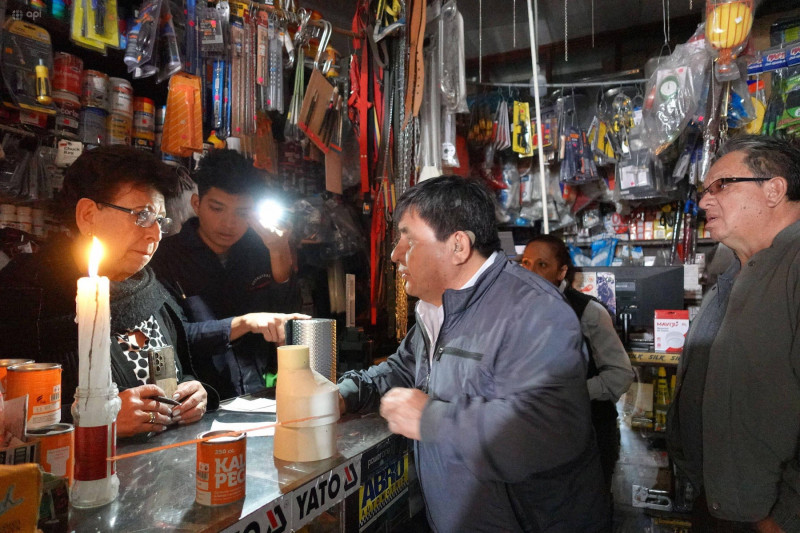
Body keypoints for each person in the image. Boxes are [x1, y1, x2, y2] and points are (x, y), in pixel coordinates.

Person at [337, 175, 610, 532]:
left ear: (458, 246)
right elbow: (401, 370)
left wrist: (432, 420)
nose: (395, 254)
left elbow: (551, 430)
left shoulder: (535, 311)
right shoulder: (434, 311)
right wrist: (343, 395)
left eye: (409, 239)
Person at [0, 147, 289, 437]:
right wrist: (95, 419)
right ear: (88, 215)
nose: (154, 234)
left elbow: (170, 366)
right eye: (141, 215)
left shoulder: (148, 288)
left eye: (160, 221)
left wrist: (196, 393)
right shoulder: (26, 294)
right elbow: (10, 419)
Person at [666, 135, 800, 532]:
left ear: (774, 189)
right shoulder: (731, 274)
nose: (704, 201)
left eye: (720, 186)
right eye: (703, 191)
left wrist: (785, 516)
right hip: (722, 502)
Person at [150, 149, 307, 398]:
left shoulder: (262, 249)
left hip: (258, 394)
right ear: (197, 204)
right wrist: (244, 323)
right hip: (197, 398)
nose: (229, 223)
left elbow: (288, 316)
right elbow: (171, 336)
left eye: (242, 213)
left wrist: (279, 250)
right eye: (217, 208)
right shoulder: (166, 257)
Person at [521, 234, 634, 490]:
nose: (530, 272)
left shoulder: (589, 312)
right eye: (525, 263)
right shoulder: (516, 310)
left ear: (562, 272)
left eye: (542, 265)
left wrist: (568, 393)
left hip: (589, 435)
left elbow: (620, 375)